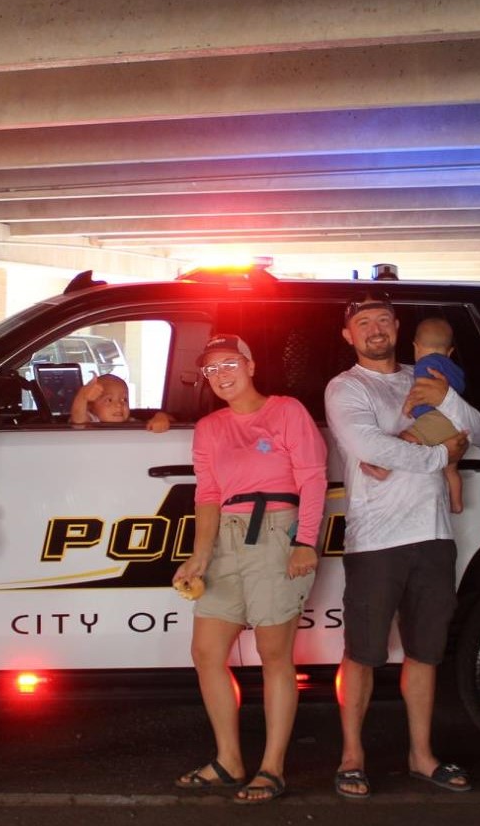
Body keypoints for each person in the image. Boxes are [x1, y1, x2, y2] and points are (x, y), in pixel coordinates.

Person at [323, 296, 480, 799]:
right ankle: (352, 756)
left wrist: (447, 403)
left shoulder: (428, 377)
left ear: (398, 327)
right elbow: (370, 449)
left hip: (434, 536)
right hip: (376, 539)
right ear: (349, 336)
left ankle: (422, 754)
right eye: (362, 323)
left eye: (382, 320)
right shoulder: (346, 386)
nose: (374, 329)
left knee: (425, 653)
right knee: (363, 654)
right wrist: (441, 452)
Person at [170, 334, 327, 803]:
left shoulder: (286, 411)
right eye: (211, 370)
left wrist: (305, 542)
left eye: (229, 364)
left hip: (277, 533)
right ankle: (229, 759)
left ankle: (272, 767)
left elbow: (313, 478)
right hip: (226, 540)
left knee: (274, 655)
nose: (221, 375)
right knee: (206, 652)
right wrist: (200, 555)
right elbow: (208, 494)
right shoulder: (210, 426)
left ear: (252, 364)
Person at [407, 316, 469, 514]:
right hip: (456, 421)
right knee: (450, 469)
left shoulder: (425, 364)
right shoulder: (455, 370)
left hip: (437, 418)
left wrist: (409, 405)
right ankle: (457, 503)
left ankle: (381, 467)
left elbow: (421, 391)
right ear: (450, 352)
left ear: (416, 347)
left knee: (406, 439)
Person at [69, 372, 173, 432]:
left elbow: (173, 420)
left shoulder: (131, 422)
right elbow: (78, 418)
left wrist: (161, 417)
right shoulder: (92, 421)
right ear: (90, 407)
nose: (119, 405)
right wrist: (82, 397)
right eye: (109, 400)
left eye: (124, 399)